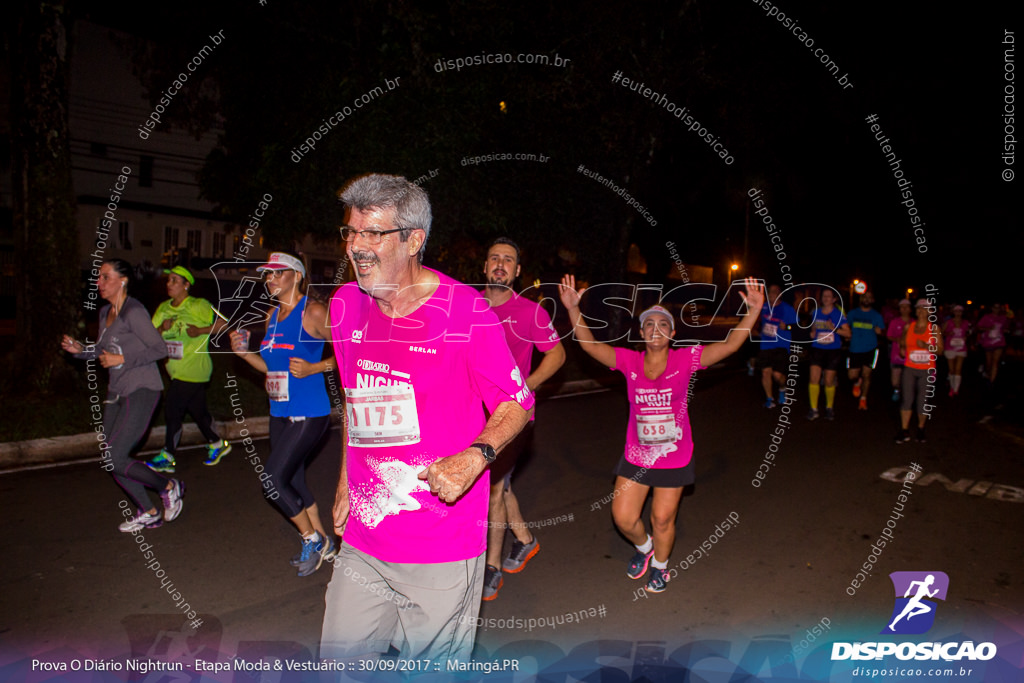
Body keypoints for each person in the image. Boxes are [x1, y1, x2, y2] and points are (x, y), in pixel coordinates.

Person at [321, 174, 533, 662]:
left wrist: (475, 457)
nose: (356, 246)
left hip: (442, 541)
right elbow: (357, 403)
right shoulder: (345, 305)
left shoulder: (466, 313)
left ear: (414, 239)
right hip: (365, 539)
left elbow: (517, 402)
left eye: (373, 234)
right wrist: (344, 480)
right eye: (351, 233)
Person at [558, 274, 764, 594]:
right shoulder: (630, 360)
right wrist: (573, 309)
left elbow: (730, 344)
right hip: (637, 454)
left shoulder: (685, 359)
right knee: (624, 518)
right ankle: (644, 549)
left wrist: (752, 311)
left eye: (663, 324)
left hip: (674, 456)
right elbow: (590, 345)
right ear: (641, 333)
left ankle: (661, 567)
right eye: (649, 324)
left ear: (672, 332)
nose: (656, 329)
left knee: (663, 518)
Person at [229, 252, 336, 577]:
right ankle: (325, 543)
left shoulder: (313, 312)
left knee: (272, 481)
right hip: (279, 411)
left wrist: (315, 367)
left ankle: (312, 538)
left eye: (278, 273)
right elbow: (270, 366)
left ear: (297, 276)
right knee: (294, 478)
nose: (270, 279)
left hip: (310, 412)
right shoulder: (271, 316)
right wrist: (245, 355)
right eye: (267, 275)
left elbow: (350, 354)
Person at [61, 259, 184, 532]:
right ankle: (149, 511)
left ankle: (168, 486)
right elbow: (102, 350)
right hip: (116, 391)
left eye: (105, 277)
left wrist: (123, 357)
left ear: (123, 281)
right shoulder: (106, 311)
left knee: (116, 456)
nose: (99, 283)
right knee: (110, 457)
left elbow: (159, 349)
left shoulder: (134, 311)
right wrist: (79, 349)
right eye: (99, 277)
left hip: (142, 389)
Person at [481, 237, 565, 601]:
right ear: (484, 267)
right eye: (494, 258)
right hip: (473, 412)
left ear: (517, 272)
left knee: (494, 489)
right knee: (500, 485)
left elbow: (557, 355)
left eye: (508, 261)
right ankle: (526, 540)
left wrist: (525, 387)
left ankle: (492, 567)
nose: (500, 264)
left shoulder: (531, 312)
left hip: (512, 415)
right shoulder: (468, 309)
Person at [147, 265, 232, 473]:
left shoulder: (199, 305)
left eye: (175, 281)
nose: (169, 284)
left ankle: (168, 455)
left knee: (173, 409)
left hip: (195, 369)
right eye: (168, 281)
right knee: (198, 412)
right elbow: (148, 338)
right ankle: (217, 444)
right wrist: (161, 328)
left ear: (186, 285)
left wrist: (200, 330)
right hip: (175, 371)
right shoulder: (163, 309)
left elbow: (225, 323)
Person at [896, 299, 943, 443]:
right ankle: (904, 430)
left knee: (923, 401)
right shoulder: (909, 326)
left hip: (926, 369)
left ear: (930, 311)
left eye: (925, 308)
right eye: (919, 308)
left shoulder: (934, 329)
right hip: (910, 367)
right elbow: (902, 345)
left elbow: (940, 350)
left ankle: (921, 429)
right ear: (916, 311)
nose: (921, 310)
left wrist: (926, 346)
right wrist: (903, 346)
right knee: (907, 399)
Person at [805, 289, 851, 421]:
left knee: (828, 381)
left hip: (833, 351)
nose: (825, 298)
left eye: (828, 296)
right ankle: (813, 409)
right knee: (813, 378)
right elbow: (813, 326)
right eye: (823, 296)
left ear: (834, 299)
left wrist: (834, 329)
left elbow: (848, 334)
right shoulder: (815, 312)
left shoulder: (838, 314)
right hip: (817, 349)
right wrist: (812, 332)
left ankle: (829, 408)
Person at [755, 284, 797, 409]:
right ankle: (769, 398)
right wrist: (755, 329)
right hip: (766, 344)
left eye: (774, 291)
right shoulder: (763, 307)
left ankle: (783, 388)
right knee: (765, 373)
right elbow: (755, 321)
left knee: (777, 376)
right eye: (769, 292)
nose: (771, 294)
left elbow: (798, 328)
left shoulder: (787, 309)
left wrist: (788, 327)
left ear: (780, 294)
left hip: (781, 346)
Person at [846, 291, 885, 411]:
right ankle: (857, 382)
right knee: (852, 376)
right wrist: (847, 335)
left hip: (870, 348)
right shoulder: (852, 313)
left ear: (873, 300)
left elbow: (882, 331)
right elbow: (846, 327)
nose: (867, 299)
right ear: (861, 299)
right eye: (864, 297)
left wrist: (880, 332)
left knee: (867, 374)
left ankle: (863, 398)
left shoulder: (876, 315)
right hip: (855, 348)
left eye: (869, 297)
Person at [887, 299, 913, 402]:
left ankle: (907, 396)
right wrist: (897, 339)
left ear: (910, 309)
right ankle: (896, 390)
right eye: (902, 307)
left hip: (911, 356)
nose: (904, 309)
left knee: (909, 379)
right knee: (895, 381)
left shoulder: (914, 323)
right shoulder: (894, 322)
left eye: (906, 307)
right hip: (896, 355)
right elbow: (889, 336)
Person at [975, 303, 1008, 385]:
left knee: (995, 362)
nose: (996, 309)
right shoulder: (986, 317)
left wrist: (1006, 330)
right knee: (989, 362)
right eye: (995, 307)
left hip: (999, 342)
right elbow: (978, 327)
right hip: (988, 342)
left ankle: (991, 382)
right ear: (992, 308)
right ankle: (987, 373)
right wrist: (988, 328)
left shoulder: (1003, 318)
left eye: (998, 308)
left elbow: (1006, 327)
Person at [942, 305, 970, 396]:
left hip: (961, 347)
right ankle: (951, 386)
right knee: (952, 369)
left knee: (958, 369)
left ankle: (956, 389)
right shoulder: (948, 322)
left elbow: (969, 332)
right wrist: (948, 333)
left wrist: (966, 336)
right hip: (950, 347)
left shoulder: (966, 322)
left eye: (960, 311)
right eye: (956, 311)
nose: (958, 313)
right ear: (953, 312)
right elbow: (941, 332)